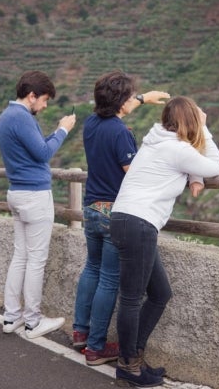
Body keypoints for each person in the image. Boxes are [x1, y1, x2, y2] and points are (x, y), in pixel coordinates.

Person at [110, 96, 219, 387]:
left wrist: (194, 175)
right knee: (132, 298)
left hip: (127, 219)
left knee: (160, 294)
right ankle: (128, 366)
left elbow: (188, 161)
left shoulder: (155, 142)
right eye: (196, 120)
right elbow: (217, 166)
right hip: (139, 223)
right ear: (189, 121)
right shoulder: (175, 148)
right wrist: (206, 129)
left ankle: (134, 356)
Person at [72, 70, 170, 366]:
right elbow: (134, 173)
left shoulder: (90, 124)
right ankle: (97, 347)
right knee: (109, 280)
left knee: (92, 268)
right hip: (114, 211)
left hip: (90, 207)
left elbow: (118, 108)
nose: (132, 101)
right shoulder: (121, 133)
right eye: (129, 97)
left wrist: (142, 98)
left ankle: (81, 333)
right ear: (120, 101)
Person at [0, 70, 76, 339]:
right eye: (43, 101)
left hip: (16, 192)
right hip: (34, 196)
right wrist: (62, 130)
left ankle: (11, 317)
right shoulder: (21, 117)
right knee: (36, 260)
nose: (43, 106)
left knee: (20, 255)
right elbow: (43, 153)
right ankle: (32, 322)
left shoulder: (6, 117)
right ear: (31, 96)